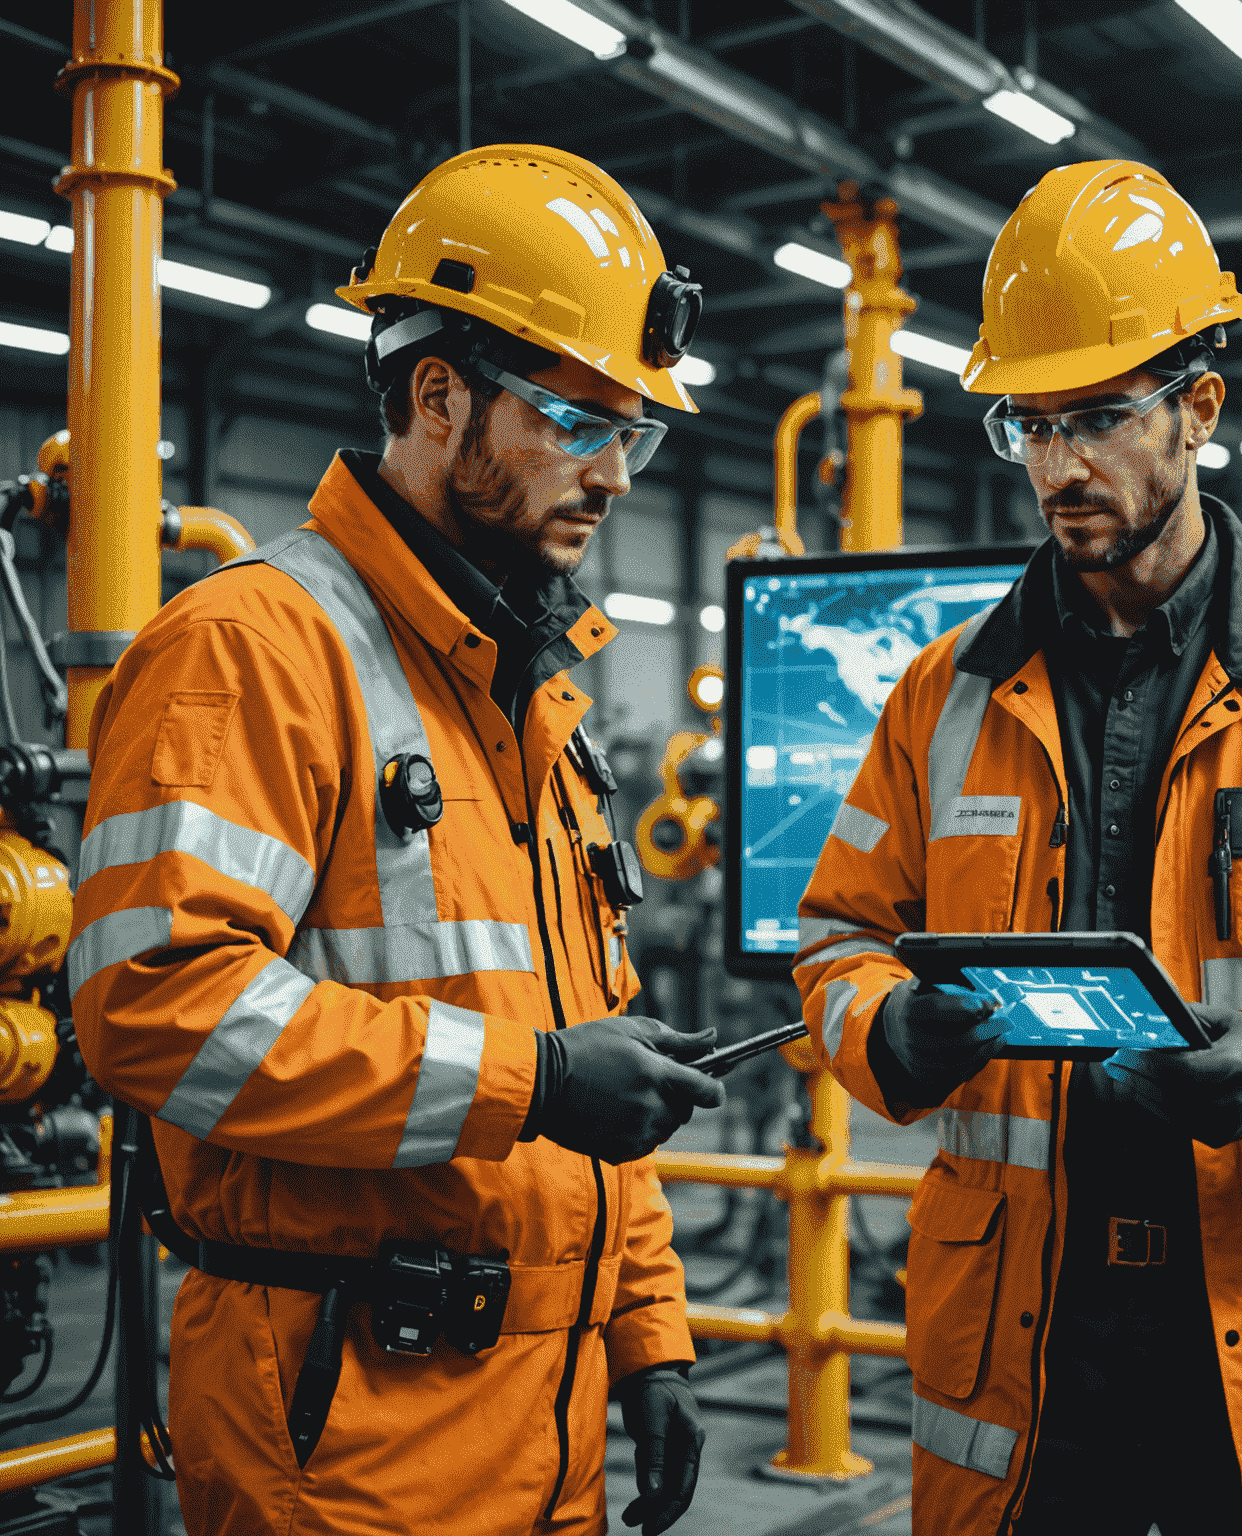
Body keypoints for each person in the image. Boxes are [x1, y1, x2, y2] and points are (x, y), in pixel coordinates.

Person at [794, 159, 1242, 1536]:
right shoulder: (941, 696)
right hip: (1028, 1352)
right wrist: (890, 1034)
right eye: (1030, 423)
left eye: (1099, 418)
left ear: (1199, 408)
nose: (1058, 464)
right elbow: (839, 937)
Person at [70, 145, 726, 1536]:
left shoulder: (527, 694)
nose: (615, 473)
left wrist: (648, 1334)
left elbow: (591, 1026)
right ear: (439, 396)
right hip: (342, 1446)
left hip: (541, 1439)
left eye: (637, 434)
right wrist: (531, 1081)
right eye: (576, 420)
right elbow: (152, 1007)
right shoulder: (251, 650)